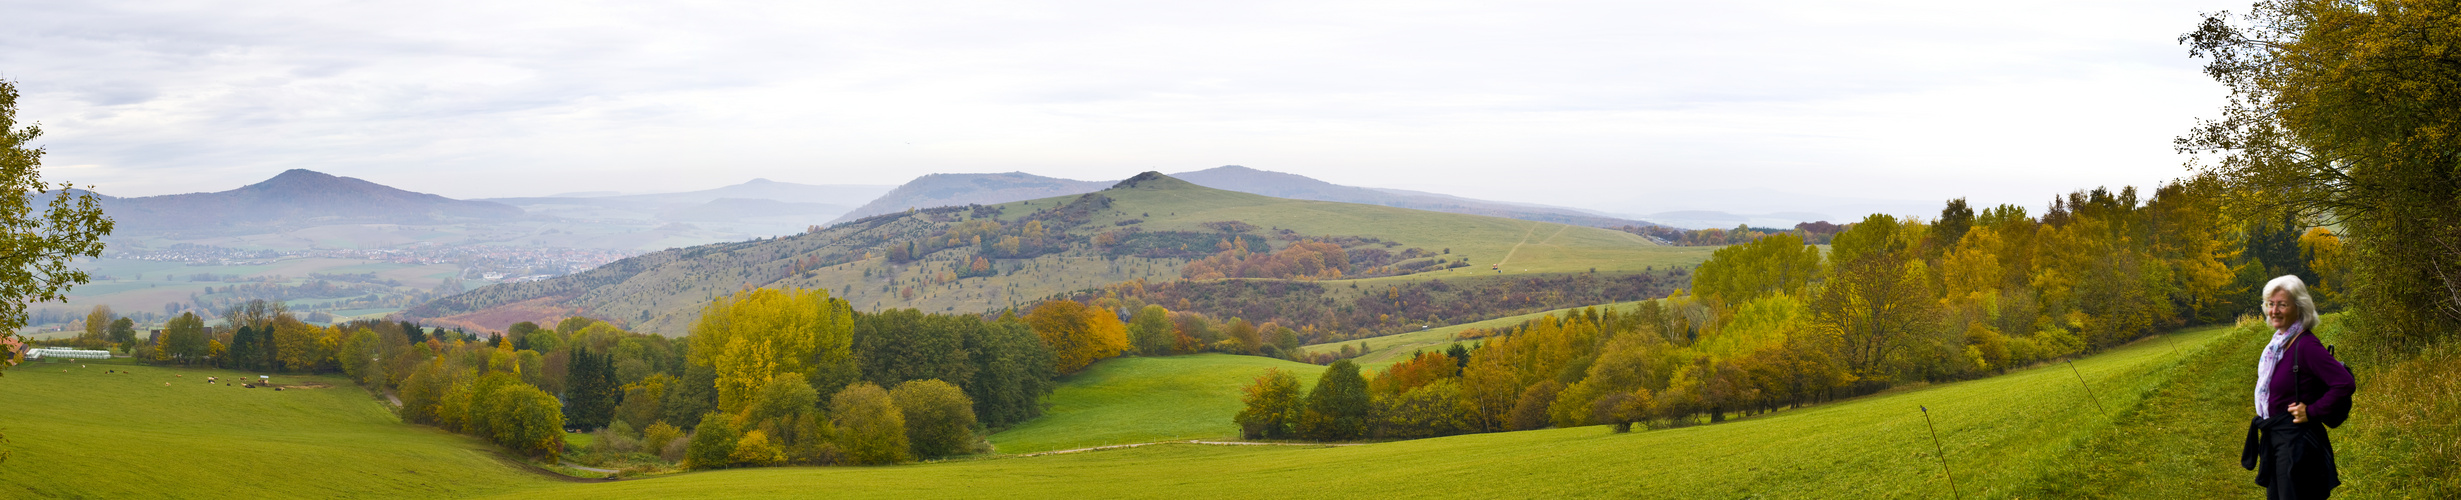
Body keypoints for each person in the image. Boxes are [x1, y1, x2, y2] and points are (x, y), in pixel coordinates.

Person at [2240, 275, 2356, 499]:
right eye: (2270, 304)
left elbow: (2344, 383)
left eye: (2282, 304)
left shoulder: (2306, 345)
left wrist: (2311, 411)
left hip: (2297, 445)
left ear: (2299, 307)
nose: (2274, 310)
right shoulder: (2280, 342)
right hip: (2277, 439)